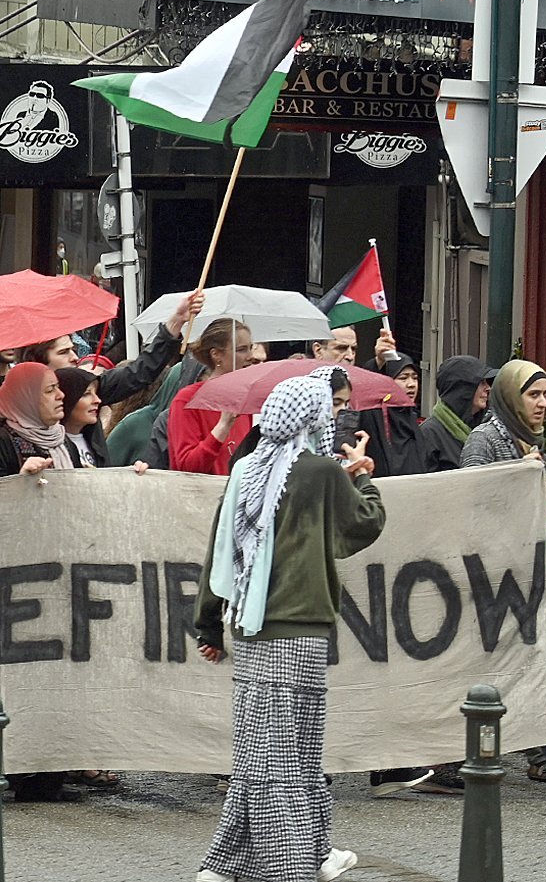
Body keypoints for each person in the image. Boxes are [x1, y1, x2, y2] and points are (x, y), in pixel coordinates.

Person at [193, 367, 387, 882]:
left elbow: (220, 553)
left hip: (250, 627)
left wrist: (208, 626)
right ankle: (291, 867)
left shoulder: (247, 469)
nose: (337, 416)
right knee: (286, 753)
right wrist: (363, 475)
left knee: (269, 747)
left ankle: (230, 863)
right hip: (300, 626)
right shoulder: (321, 470)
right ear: (314, 416)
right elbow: (364, 523)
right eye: (332, 409)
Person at [165, 319, 265, 474]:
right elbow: (186, 467)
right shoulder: (187, 400)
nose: (250, 356)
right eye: (241, 349)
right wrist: (223, 427)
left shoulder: (244, 399)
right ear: (216, 355)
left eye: (250, 348)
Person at [0, 362, 78, 479]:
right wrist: (21, 480)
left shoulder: (62, 441)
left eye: (58, 387)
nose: (60, 395)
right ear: (26, 399)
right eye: (50, 390)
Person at [459, 360, 546, 467]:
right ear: (511, 397)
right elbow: (472, 483)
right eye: (534, 394)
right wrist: (520, 471)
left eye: (545, 394)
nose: (544, 403)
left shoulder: (532, 438)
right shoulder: (484, 440)